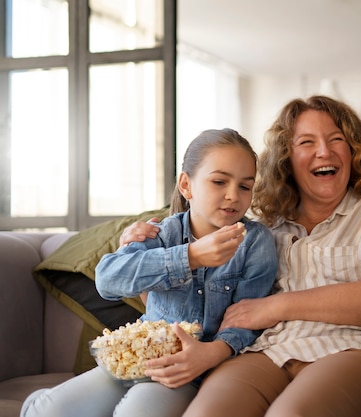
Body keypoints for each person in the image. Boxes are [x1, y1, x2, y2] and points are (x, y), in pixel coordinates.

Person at [121, 95, 361, 417]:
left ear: (354, 152)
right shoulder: (260, 229)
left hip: (359, 349)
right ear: (286, 159)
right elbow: (190, 297)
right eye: (307, 142)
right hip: (266, 351)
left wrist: (274, 306)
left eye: (337, 140)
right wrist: (142, 246)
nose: (324, 151)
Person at [21, 128, 278, 417]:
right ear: (186, 185)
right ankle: (41, 401)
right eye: (219, 181)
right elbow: (108, 280)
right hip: (137, 356)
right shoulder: (160, 232)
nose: (233, 195)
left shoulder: (255, 242)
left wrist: (211, 353)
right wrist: (190, 256)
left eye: (245, 186)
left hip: (195, 370)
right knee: (47, 412)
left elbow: (247, 320)